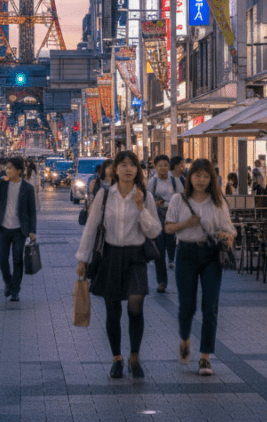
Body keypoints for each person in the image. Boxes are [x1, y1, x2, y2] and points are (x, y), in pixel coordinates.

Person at [76, 150, 161, 380]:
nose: (128, 169)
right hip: (110, 256)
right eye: (123, 165)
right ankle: (116, 359)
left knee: (136, 304)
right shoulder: (105, 196)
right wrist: (82, 259)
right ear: (114, 169)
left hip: (135, 258)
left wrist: (141, 208)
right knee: (112, 311)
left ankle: (134, 355)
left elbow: (154, 231)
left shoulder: (145, 196)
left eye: (132, 165)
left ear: (138, 170)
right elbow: (91, 228)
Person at [165, 158, 235, 376]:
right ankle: (185, 340)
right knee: (187, 306)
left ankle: (205, 357)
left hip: (212, 255)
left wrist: (227, 235)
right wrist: (186, 224)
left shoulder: (218, 202)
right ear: (190, 177)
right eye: (197, 175)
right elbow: (167, 228)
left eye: (206, 176)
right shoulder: (178, 200)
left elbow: (230, 230)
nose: (201, 180)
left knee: (210, 307)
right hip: (185, 253)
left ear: (211, 179)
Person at [0, 156, 37, 301]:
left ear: (18, 171)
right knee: (2, 259)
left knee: (17, 259)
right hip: (3, 228)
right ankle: (8, 282)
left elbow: (32, 210)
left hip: (19, 229)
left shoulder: (27, 188)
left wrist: (32, 231)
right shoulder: (2, 183)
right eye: (6, 167)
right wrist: (0, 181)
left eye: (10, 168)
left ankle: (15, 289)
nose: (7, 170)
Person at [147, 154, 183, 292]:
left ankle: (181, 279)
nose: (162, 168)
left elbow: (181, 197)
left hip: (172, 217)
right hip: (157, 217)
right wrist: (156, 204)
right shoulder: (152, 181)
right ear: (155, 167)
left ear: (169, 167)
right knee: (160, 252)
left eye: (165, 165)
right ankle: (162, 281)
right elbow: (147, 200)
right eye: (160, 165)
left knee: (175, 247)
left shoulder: (175, 180)